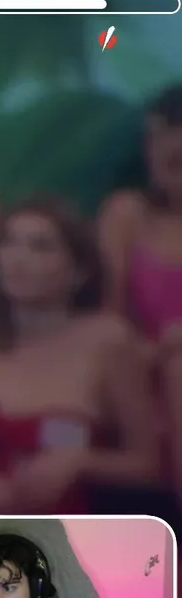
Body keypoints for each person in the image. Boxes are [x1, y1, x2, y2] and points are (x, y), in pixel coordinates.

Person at [0, 199, 156, 514]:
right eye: (8, 243)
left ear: (79, 272)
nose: (17, 258)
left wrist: (79, 462)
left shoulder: (108, 341)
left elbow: (146, 463)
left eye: (40, 247)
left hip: (73, 524)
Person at [97, 85, 182, 496]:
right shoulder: (127, 214)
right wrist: (160, 351)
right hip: (139, 378)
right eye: (155, 139)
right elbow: (107, 325)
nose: (164, 148)